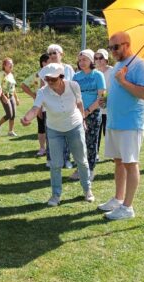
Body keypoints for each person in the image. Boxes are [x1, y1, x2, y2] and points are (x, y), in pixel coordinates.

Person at [21, 63, 94, 206]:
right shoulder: (42, 91)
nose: (49, 82)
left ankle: (87, 190)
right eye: (47, 79)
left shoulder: (73, 86)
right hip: (54, 129)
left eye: (53, 79)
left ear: (61, 77)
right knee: (55, 164)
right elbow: (36, 108)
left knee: (82, 161)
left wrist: (83, 119)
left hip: (75, 126)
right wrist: (26, 118)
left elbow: (79, 104)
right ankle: (55, 196)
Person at [98, 32, 144, 220]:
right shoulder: (118, 66)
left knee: (130, 163)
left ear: (126, 44)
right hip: (115, 121)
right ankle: (118, 199)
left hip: (130, 123)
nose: (112, 51)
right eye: (110, 47)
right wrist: (105, 101)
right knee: (118, 162)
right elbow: (116, 92)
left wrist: (123, 81)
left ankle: (127, 208)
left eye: (115, 47)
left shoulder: (140, 65)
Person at [71, 49, 106, 181]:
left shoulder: (98, 75)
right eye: (80, 60)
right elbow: (73, 96)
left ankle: (90, 170)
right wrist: (79, 112)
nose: (81, 62)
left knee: (91, 143)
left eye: (84, 59)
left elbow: (101, 97)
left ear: (91, 61)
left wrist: (87, 111)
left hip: (93, 113)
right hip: (77, 114)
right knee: (79, 143)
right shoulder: (76, 77)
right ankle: (80, 168)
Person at [46, 44, 73, 169]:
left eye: (54, 52)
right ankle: (51, 158)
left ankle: (66, 159)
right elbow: (42, 88)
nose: (51, 55)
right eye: (50, 53)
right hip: (51, 107)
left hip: (67, 107)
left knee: (67, 134)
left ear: (61, 54)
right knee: (51, 135)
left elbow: (73, 85)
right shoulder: (46, 69)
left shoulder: (68, 69)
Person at [21, 53, 50, 157]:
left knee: (51, 128)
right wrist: (34, 96)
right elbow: (23, 85)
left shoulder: (54, 74)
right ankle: (42, 148)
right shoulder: (37, 75)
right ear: (43, 63)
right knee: (41, 127)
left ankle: (50, 149)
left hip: (52, 106)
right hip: (39, 106)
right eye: (49, 61)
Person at [95, 48, 113, 160]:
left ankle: (113, 153)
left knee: (108, 131)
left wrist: (106, 99)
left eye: (100, 57)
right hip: (96, 107)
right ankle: (95, 153)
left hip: (109, 107)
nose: (98, 60)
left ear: (106, 59)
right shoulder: (95, 73)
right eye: (96, 58)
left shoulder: (112, 71)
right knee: (96, 132)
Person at [0, 58, 20, 137]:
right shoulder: (2, 74)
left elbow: (13, 88)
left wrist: (16, 98)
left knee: (13, 114)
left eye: (12, 63)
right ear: (4, 65)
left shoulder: (11, 74)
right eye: (9, 63)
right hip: (4, 95)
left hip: (11, 95)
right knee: (9, 114)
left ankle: (10, 131)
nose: (11, 65)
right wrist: (3, 96)